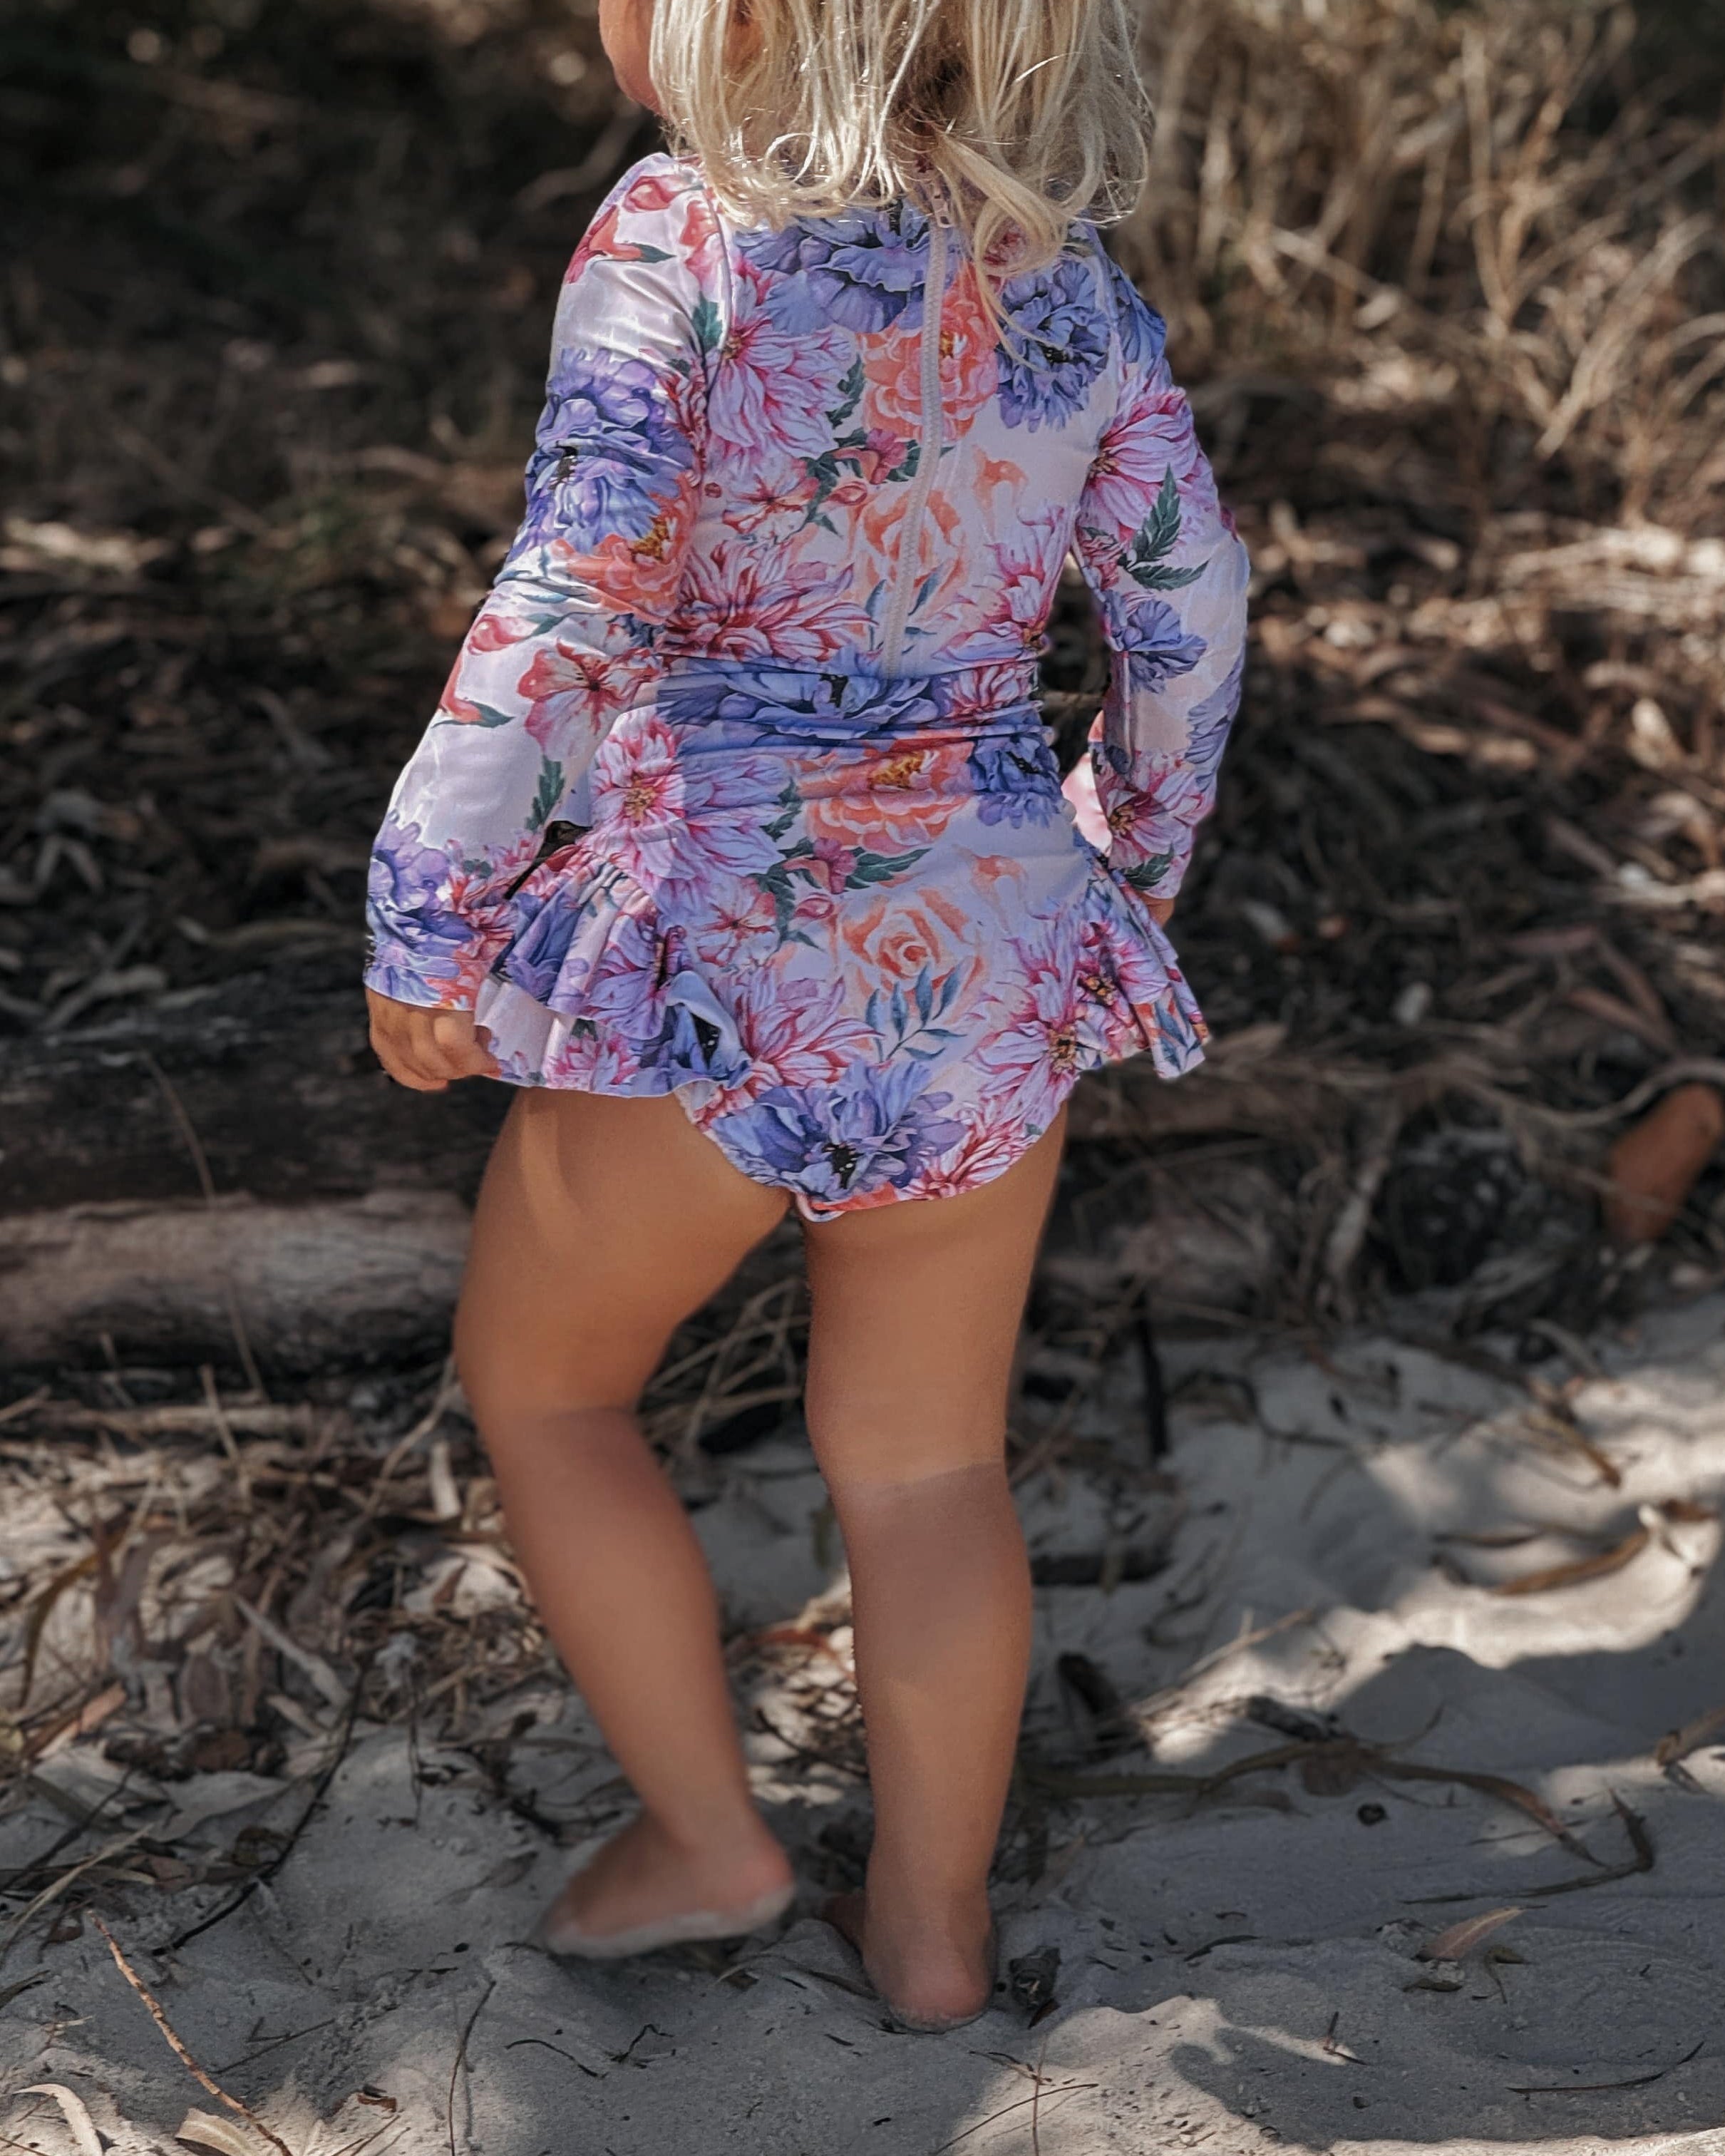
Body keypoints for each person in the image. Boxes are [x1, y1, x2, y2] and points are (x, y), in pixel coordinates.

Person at [363, 0, 1248, 2035]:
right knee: (928, 1468)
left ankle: (710, 1834)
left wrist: (431, 906)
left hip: (721, 944)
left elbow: (573, 588)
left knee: (552, 1387)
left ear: (741, 16)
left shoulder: (681, 234)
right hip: (988, 946)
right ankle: (928, 1937)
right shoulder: (1061, 277)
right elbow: (1190, 597)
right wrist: (1129, 849)